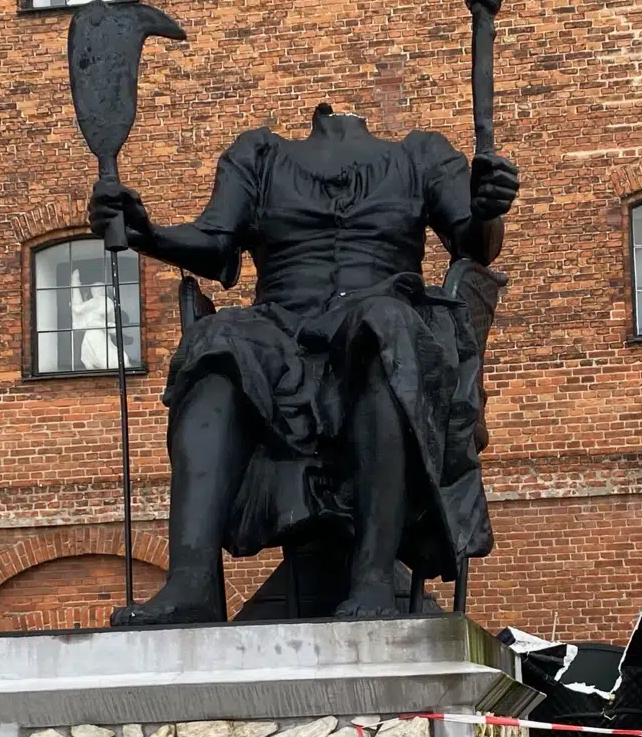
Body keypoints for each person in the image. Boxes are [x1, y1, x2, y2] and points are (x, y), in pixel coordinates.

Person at [89, 103, 518, 622]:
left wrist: (490, 206)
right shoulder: (258, 156)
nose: (340, 118)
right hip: (280, 331)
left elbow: (474, 244)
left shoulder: (422, 156)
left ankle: (375, 576)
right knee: (215, 341)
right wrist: (145, 231)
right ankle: (191, 586)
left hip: (377, 320)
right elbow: (214, 244)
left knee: (386, 329)